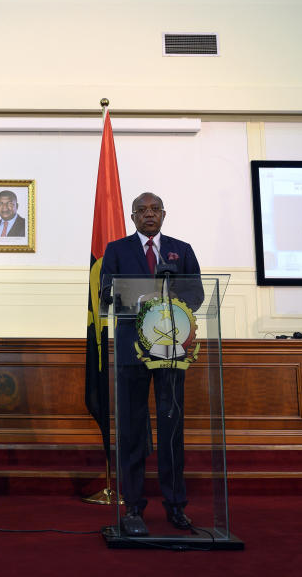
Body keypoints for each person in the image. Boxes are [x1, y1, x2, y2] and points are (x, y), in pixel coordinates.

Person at [100, 192, 204, 537]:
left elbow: (198, 294)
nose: (149, 214)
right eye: (142, 210)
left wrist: (172, 296)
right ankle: (132, 507)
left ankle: (175, 506)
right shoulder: (116, 250)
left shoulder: (182, 249)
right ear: (132, 217)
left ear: (164, 214)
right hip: (132, 350)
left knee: (172, 429)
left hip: (172, 349)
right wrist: (142, 296)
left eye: (154, 209)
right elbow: (107, 292)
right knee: (131, 430)